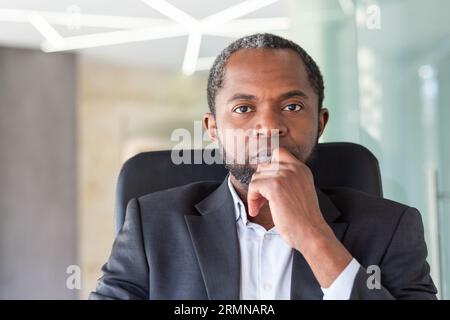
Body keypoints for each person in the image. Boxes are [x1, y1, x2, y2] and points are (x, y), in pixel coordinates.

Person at [90, 33, 437, 300]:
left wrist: (314, 236)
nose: (269, 126)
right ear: (213, 129)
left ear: (321, 122)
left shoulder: (391, 229)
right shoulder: (151, 224)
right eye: (243, 108)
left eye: (293, 106)